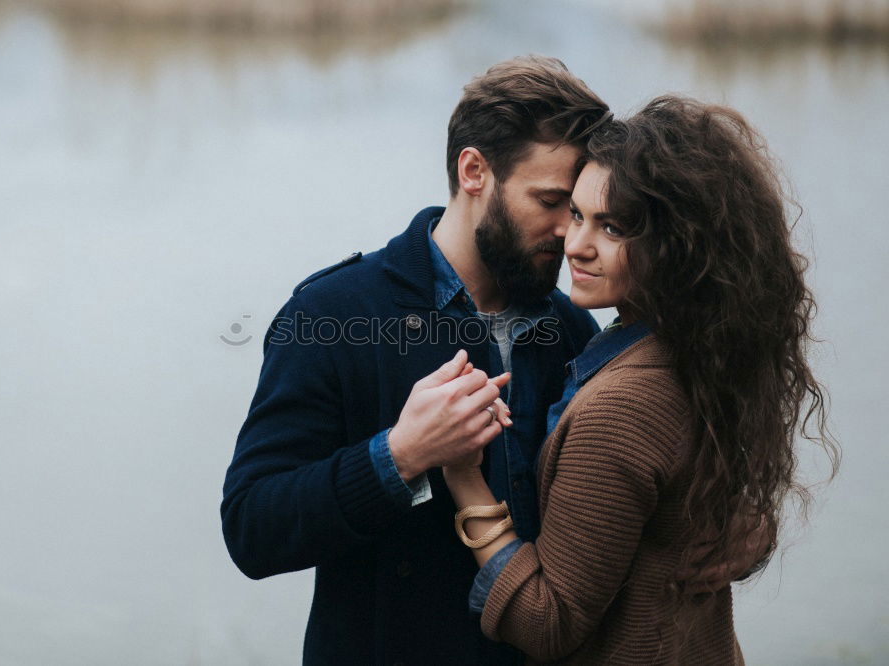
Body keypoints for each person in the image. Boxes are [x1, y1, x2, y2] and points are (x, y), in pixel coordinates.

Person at [221, 57, 757, 664]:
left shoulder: (573, 327)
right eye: (553, 202)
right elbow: (251, 529)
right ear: (473, 170)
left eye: (582, 210)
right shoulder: (333, 315)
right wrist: (400, 455)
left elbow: (618, 515)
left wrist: (727, 528)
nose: (569, 234)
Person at [442, 96, 838, 664]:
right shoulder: (707, 350)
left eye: (614, 228)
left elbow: (546, 624)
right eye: (575, 214)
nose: (574, 245)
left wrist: (464, 477)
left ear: (678, 244)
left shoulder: (622, 405)